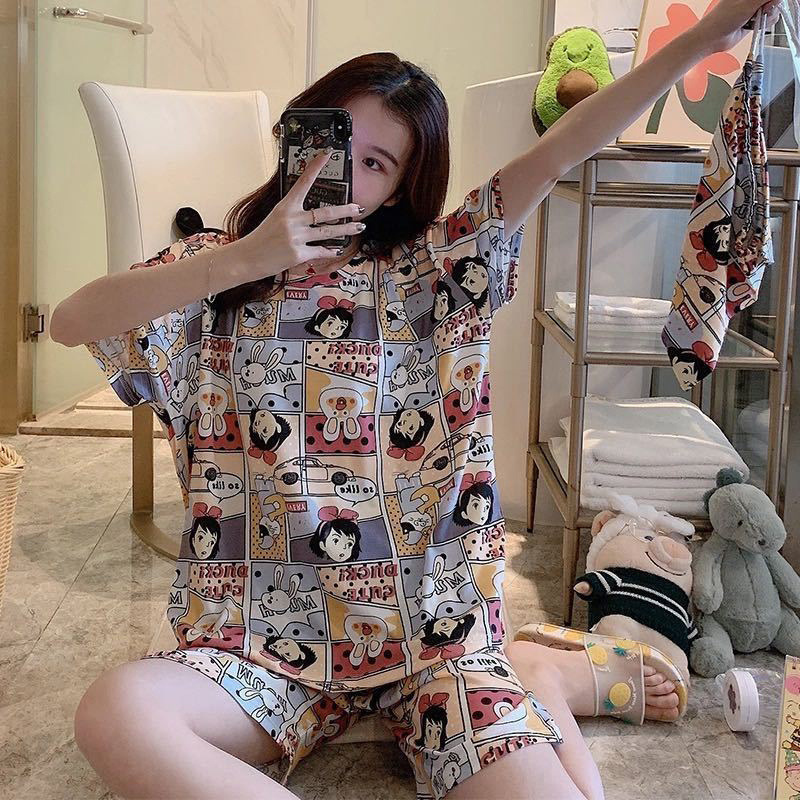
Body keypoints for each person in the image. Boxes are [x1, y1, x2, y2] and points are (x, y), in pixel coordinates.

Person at [54, 2, 782, 798]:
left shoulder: (437, 270)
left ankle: (532, 673)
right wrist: (241, 260)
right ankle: (537, 676)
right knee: (115, 714)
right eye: (332, 142)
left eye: (376, 162)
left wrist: (699, 42)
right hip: (258, 647)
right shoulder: (211, 271)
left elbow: (561, 150)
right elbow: (71, 322)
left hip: (436, 641)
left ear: (403, 185)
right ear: (295, 135)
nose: (341, 172)